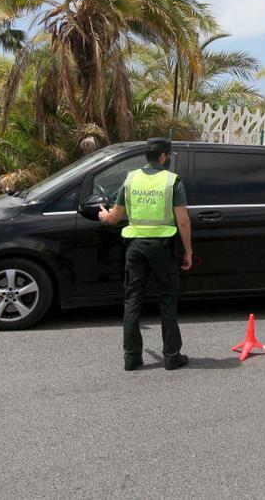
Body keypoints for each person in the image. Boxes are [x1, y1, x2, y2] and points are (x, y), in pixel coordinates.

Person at [98, 137, 195, 370]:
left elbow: (114, 217)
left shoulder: (131, 179)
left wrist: (103, 216)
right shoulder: (172, 181)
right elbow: (182, 221)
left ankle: (131, 358)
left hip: (135, 247)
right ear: (163, 157)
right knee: (168, 299)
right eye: (168, 155)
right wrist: (188, 251)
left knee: (132, 301)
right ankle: (172, 356)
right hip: (162, 247)